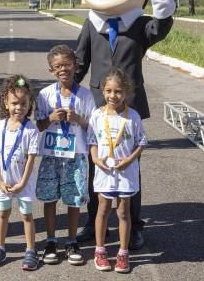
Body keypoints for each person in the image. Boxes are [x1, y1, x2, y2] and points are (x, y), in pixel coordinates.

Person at [53, 0, 175, 249]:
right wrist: (62, 94)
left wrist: (164, 3)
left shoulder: (140, 23)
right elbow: (78, 64)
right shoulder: (91, 25)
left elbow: (159, 29)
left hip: (129, 111)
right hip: (96, 110)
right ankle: (96, 225)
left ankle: (134, 225)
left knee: (129, 171)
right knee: (96, 170)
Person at [35, 44, 95, 265]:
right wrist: (50, 118)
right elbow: (38, 126)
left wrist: (78, 119)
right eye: (57, 66)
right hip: (51, 155)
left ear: (75, 66)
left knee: (74, 199)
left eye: (67, 65)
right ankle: (51, 240)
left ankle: (71, 240)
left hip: (76, 156)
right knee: (50, 198)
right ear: (51, 70)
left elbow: (93, 127)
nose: (63, 69)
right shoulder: (44, 95)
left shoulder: (86, 96)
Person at [87, 68, 147, 273]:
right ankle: (100, 250)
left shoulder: (133, 117)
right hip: (104, 170)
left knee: (123, 211)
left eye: (118, 91)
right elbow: (92, 140)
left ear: (126, 92)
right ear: (103, 91)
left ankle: (123, 252)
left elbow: (141, 142)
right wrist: (95, 159)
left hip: (126, 172)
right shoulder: (97, 115)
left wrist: (129, 160)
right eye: (109, 91)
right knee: (102, 209)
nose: (113, 96)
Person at [0, 75, 39, 271]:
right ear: (6, 104)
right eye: (15, 103)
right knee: (3, 214)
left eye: (23, 103)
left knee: (26, 216)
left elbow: (31, 160)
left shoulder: (31, 130)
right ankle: (0, 248)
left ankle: (31, 250)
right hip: (5, 182)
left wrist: (23, 183)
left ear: (29, 104)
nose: (19, 107)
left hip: (22, 183)